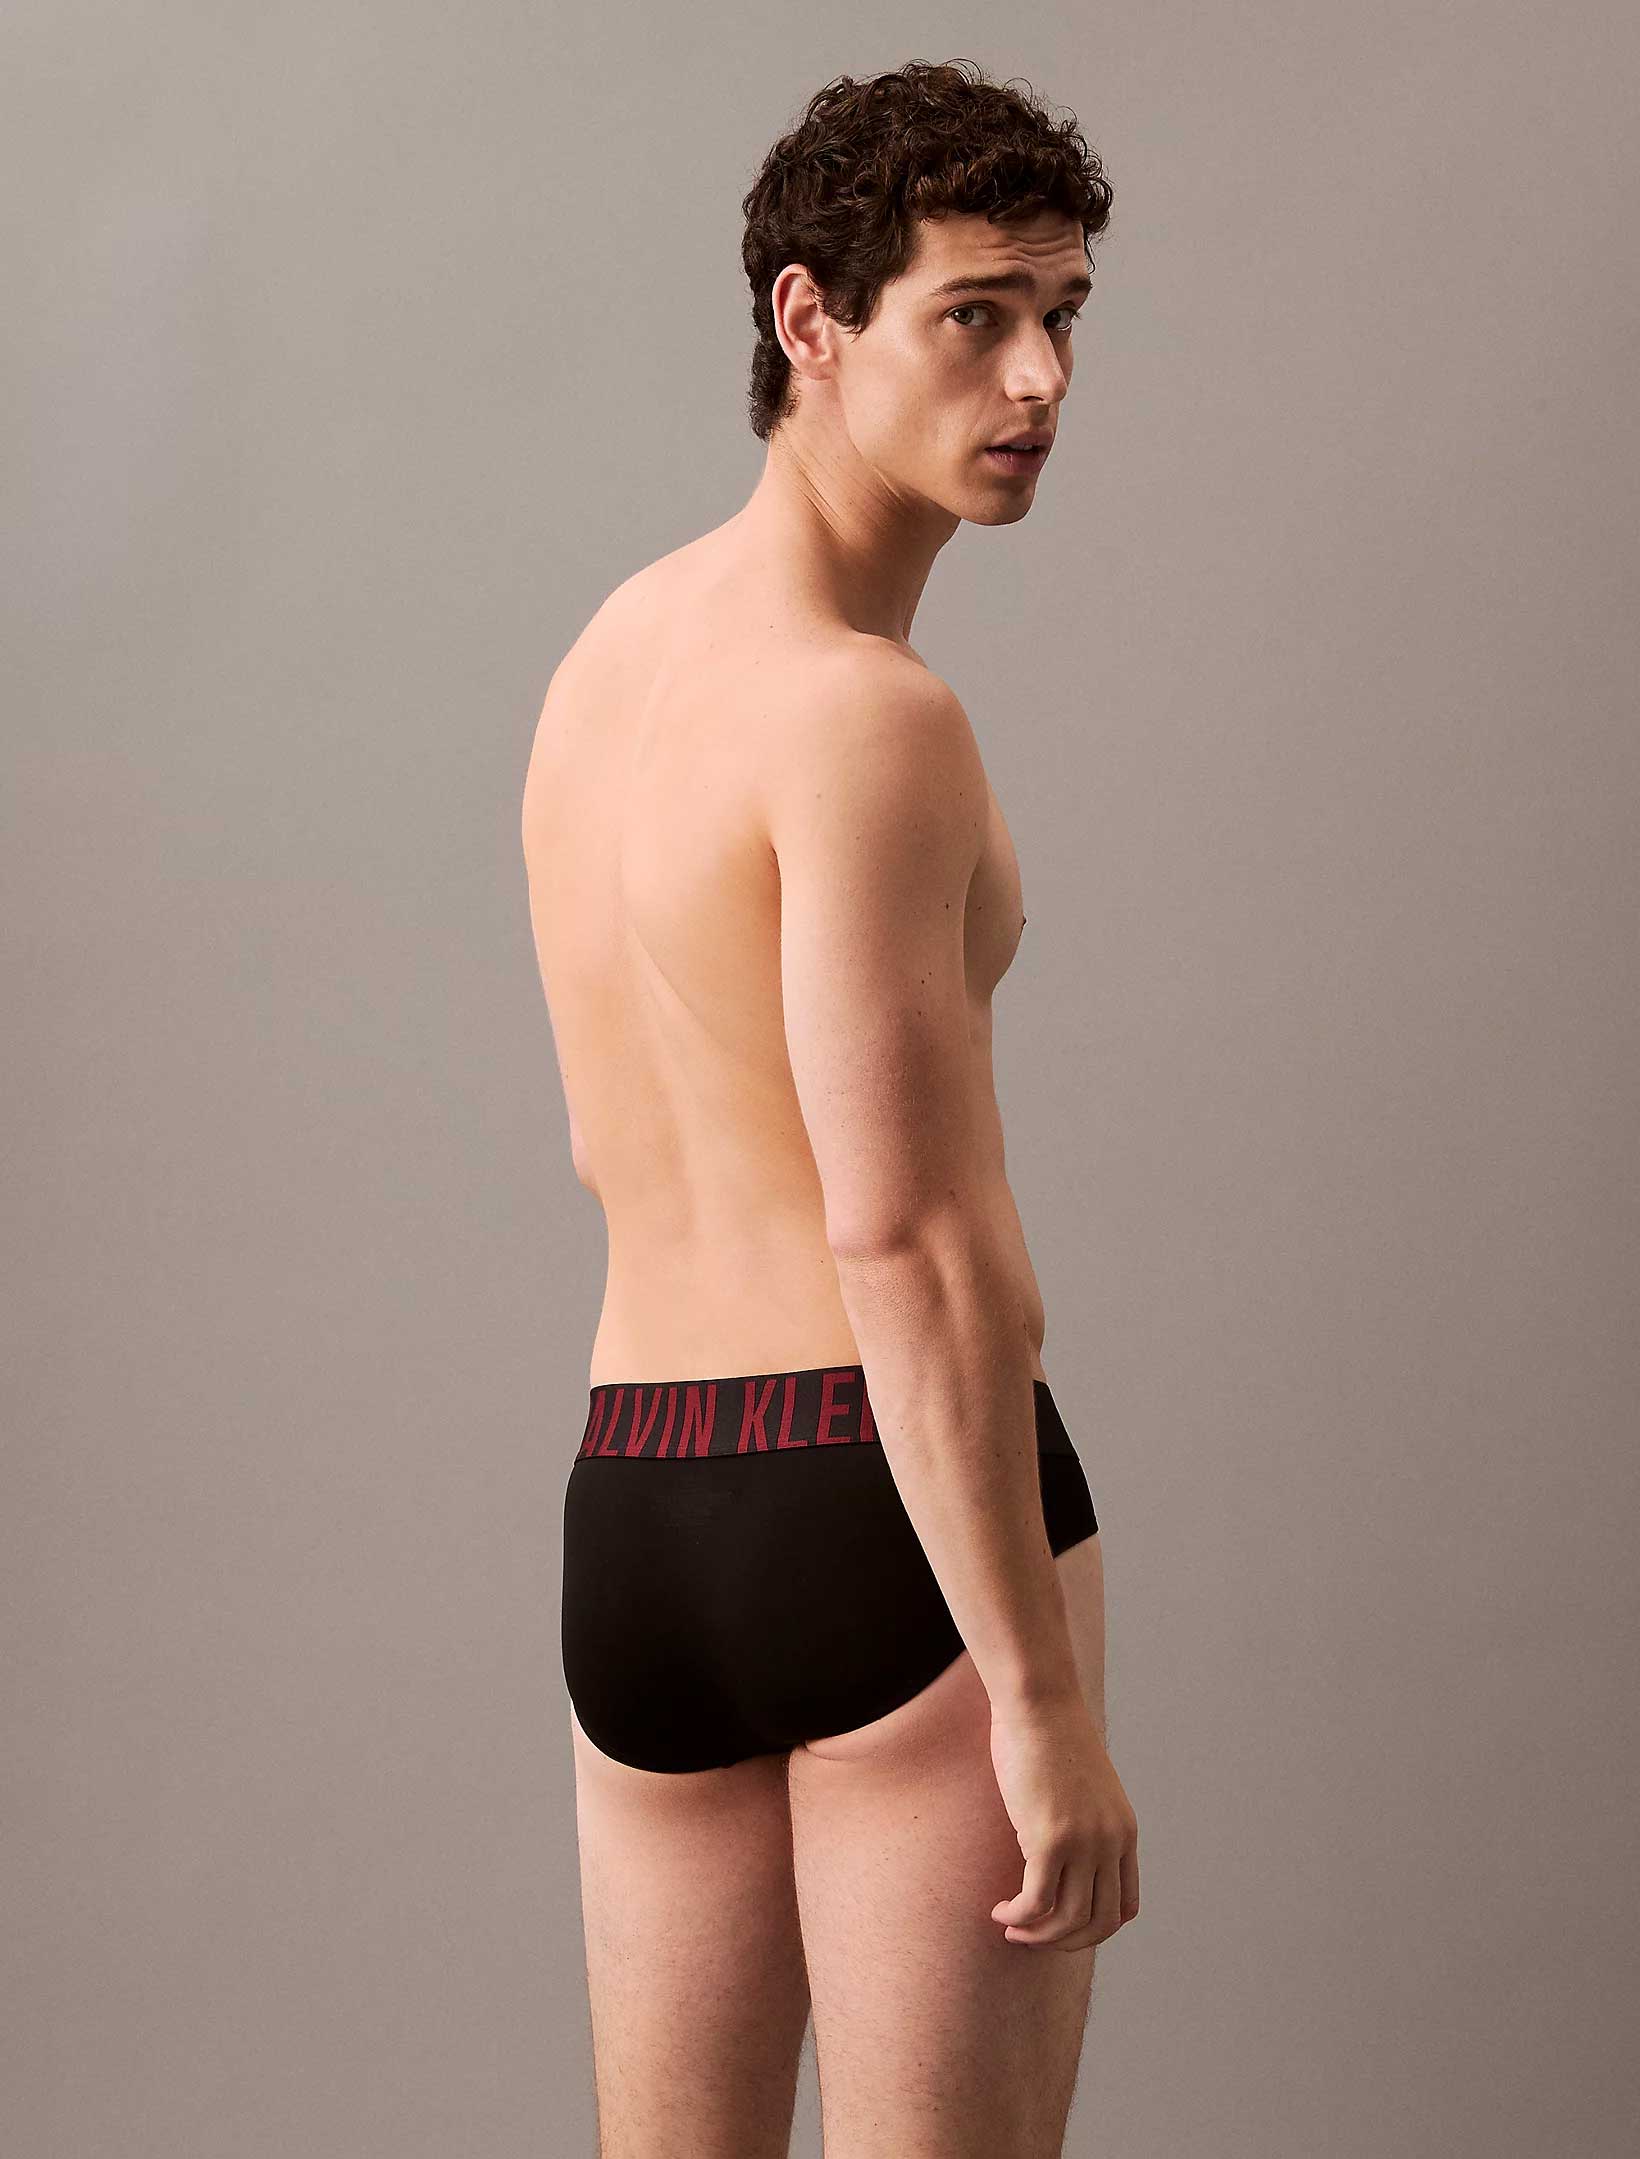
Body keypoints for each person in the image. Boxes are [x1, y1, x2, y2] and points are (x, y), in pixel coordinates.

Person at [520, 57, 1140, 2159]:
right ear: (811, 319)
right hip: (886, 1510)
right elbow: (909, 1237)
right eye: (974, 314)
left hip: (638, 1509)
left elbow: (608, 1139)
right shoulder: (870, 717)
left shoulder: (608, 662)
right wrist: (1038, 1700)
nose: (1039, 377)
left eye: (1062, 313)